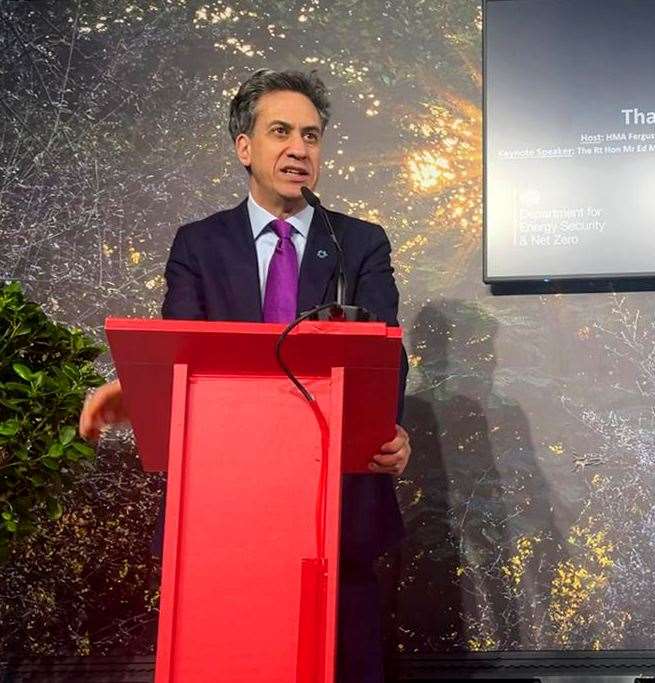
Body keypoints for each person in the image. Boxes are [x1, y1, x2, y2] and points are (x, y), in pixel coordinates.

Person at [78, 69, 409, 683]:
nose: (299, 148)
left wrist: (387, 431)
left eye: (311, 135)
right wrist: (141, 390)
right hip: (225, 506)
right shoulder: (199, 246)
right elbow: (185, 354)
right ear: (244, 147)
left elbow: (385, 354)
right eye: (280, 131)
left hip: (335, 510)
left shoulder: (358, 244)